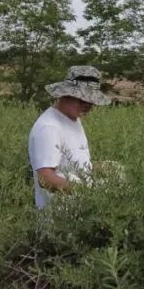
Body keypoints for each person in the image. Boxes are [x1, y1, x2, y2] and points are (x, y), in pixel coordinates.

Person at [28, 66, 111, 210]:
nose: (87, 105)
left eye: (90, 101)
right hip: (60, 218)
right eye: (81, 99)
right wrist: (88, 192)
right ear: (64, 95)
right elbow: (45, 178)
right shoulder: (50, 127)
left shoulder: (72, 119)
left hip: (81, 212)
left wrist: (102, 167)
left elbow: (70, 163)